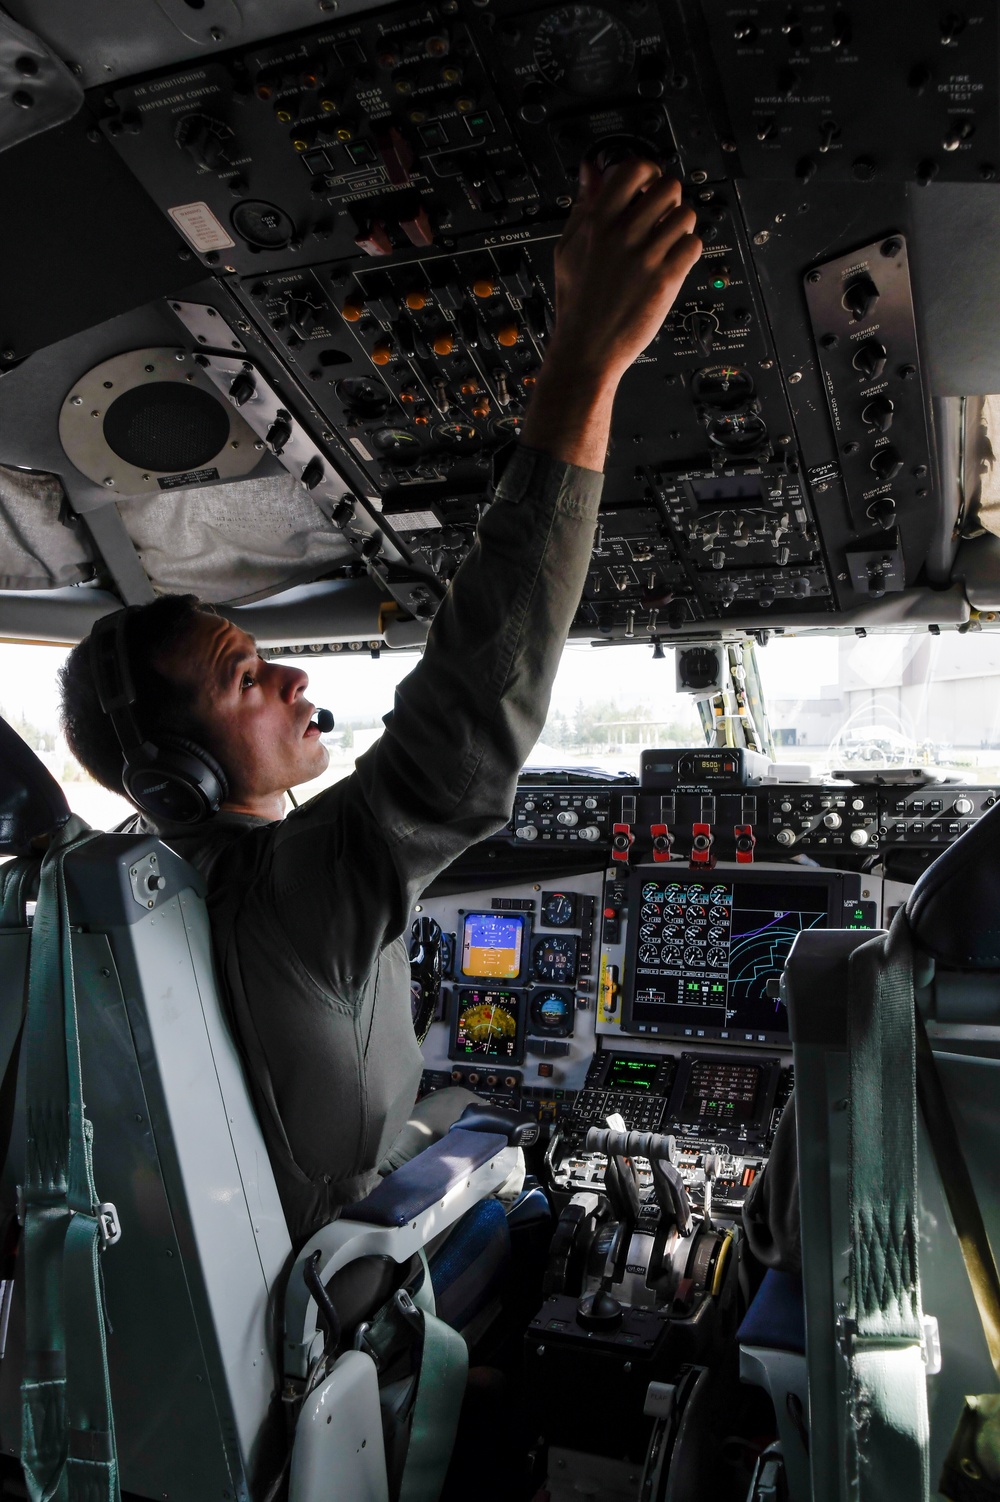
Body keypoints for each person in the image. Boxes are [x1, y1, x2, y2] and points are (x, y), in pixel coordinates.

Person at [58, 159, 703, 1246]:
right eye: (247, 677)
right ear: (182, 774)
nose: (295, 678)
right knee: (539, 1190)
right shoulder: (281, 896)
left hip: (262, 1236)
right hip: (336, 1298)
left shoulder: (119, 898)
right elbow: (460, 727)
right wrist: (586, 360)